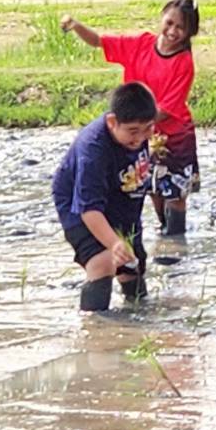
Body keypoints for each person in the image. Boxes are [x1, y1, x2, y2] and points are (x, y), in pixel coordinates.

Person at [61, 0, 200, 236]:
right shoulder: (141, 44)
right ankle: (165, 234)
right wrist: (76, 25)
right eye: (169, 23)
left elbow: (167, 108)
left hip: (173, 136)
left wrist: (131, 125)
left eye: (180, 28)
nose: (172, 31)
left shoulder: (184, 62)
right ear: (161, 18)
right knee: (153, 187)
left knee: (175, 193)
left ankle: (176, 237)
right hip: (142, 133)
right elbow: (98, 41)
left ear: (189, 32)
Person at [52, 82, 156, 312]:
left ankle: (136, 323)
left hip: (123, 195)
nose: (140, 139)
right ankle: (95, 331)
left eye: (148, 129)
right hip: (79, 206)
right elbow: (89, 209)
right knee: (102, 262)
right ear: (112, 122)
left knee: (132, 265)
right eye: (132, 132)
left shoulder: (140, 133)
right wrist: (114, 243)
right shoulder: (93, 149)